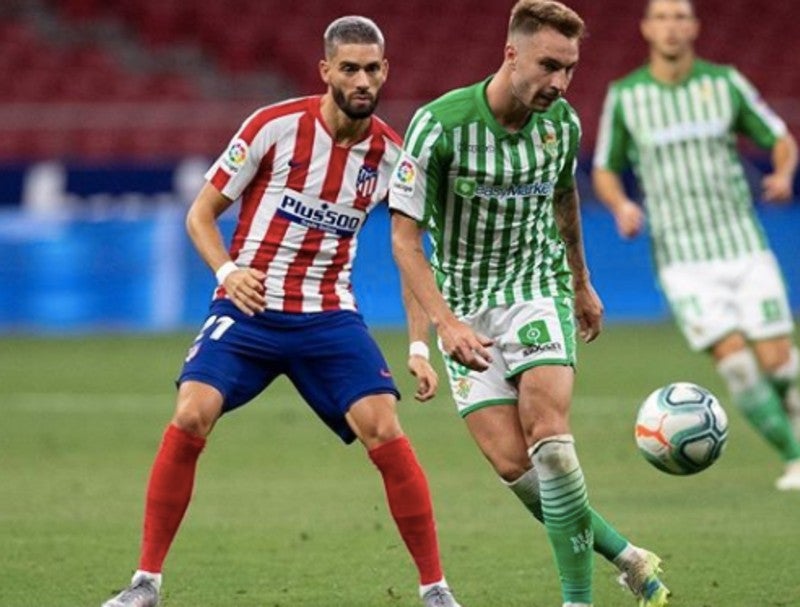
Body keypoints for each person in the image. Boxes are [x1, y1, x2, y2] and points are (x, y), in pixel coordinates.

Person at [101, 16, 463, 607]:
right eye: (349, 68)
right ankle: (145, 584)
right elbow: (199, 215)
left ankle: (435, 589)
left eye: (372, 68)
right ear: (326, 71)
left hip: (327, 317)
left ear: (385, 71)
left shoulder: (395, 157)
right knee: (192, 412)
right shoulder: (273, 127)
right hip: (248, 309)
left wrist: (420, 346)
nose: (362, 80)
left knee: (384, 427)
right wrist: (228, 272)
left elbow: (408, 254)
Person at [390, 2, 670, 606]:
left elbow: (566, 196)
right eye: (549, 66)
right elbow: (405, 239)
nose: (560, 83)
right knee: (519, 471)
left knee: (551, 438)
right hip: (463, 307)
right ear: (511, 53)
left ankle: (577, 601)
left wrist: (580, 281)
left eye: (569, 69)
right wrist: (441, 327)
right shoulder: (439, 125)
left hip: (534, 291)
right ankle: (626, 554)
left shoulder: (561, 124)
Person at [592, 0, 800, 491]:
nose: (671, 26)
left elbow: (779, 136)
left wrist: (784, 172)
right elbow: (604, 167)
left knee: (779, 362)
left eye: (680, 17)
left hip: (743, 247)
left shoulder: (724, 84)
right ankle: (793, 457)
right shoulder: (627, 96)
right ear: (646, 28)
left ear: (694, 27)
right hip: (682, 260)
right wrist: (621, 204)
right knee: (738, 364)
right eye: (661, 17)